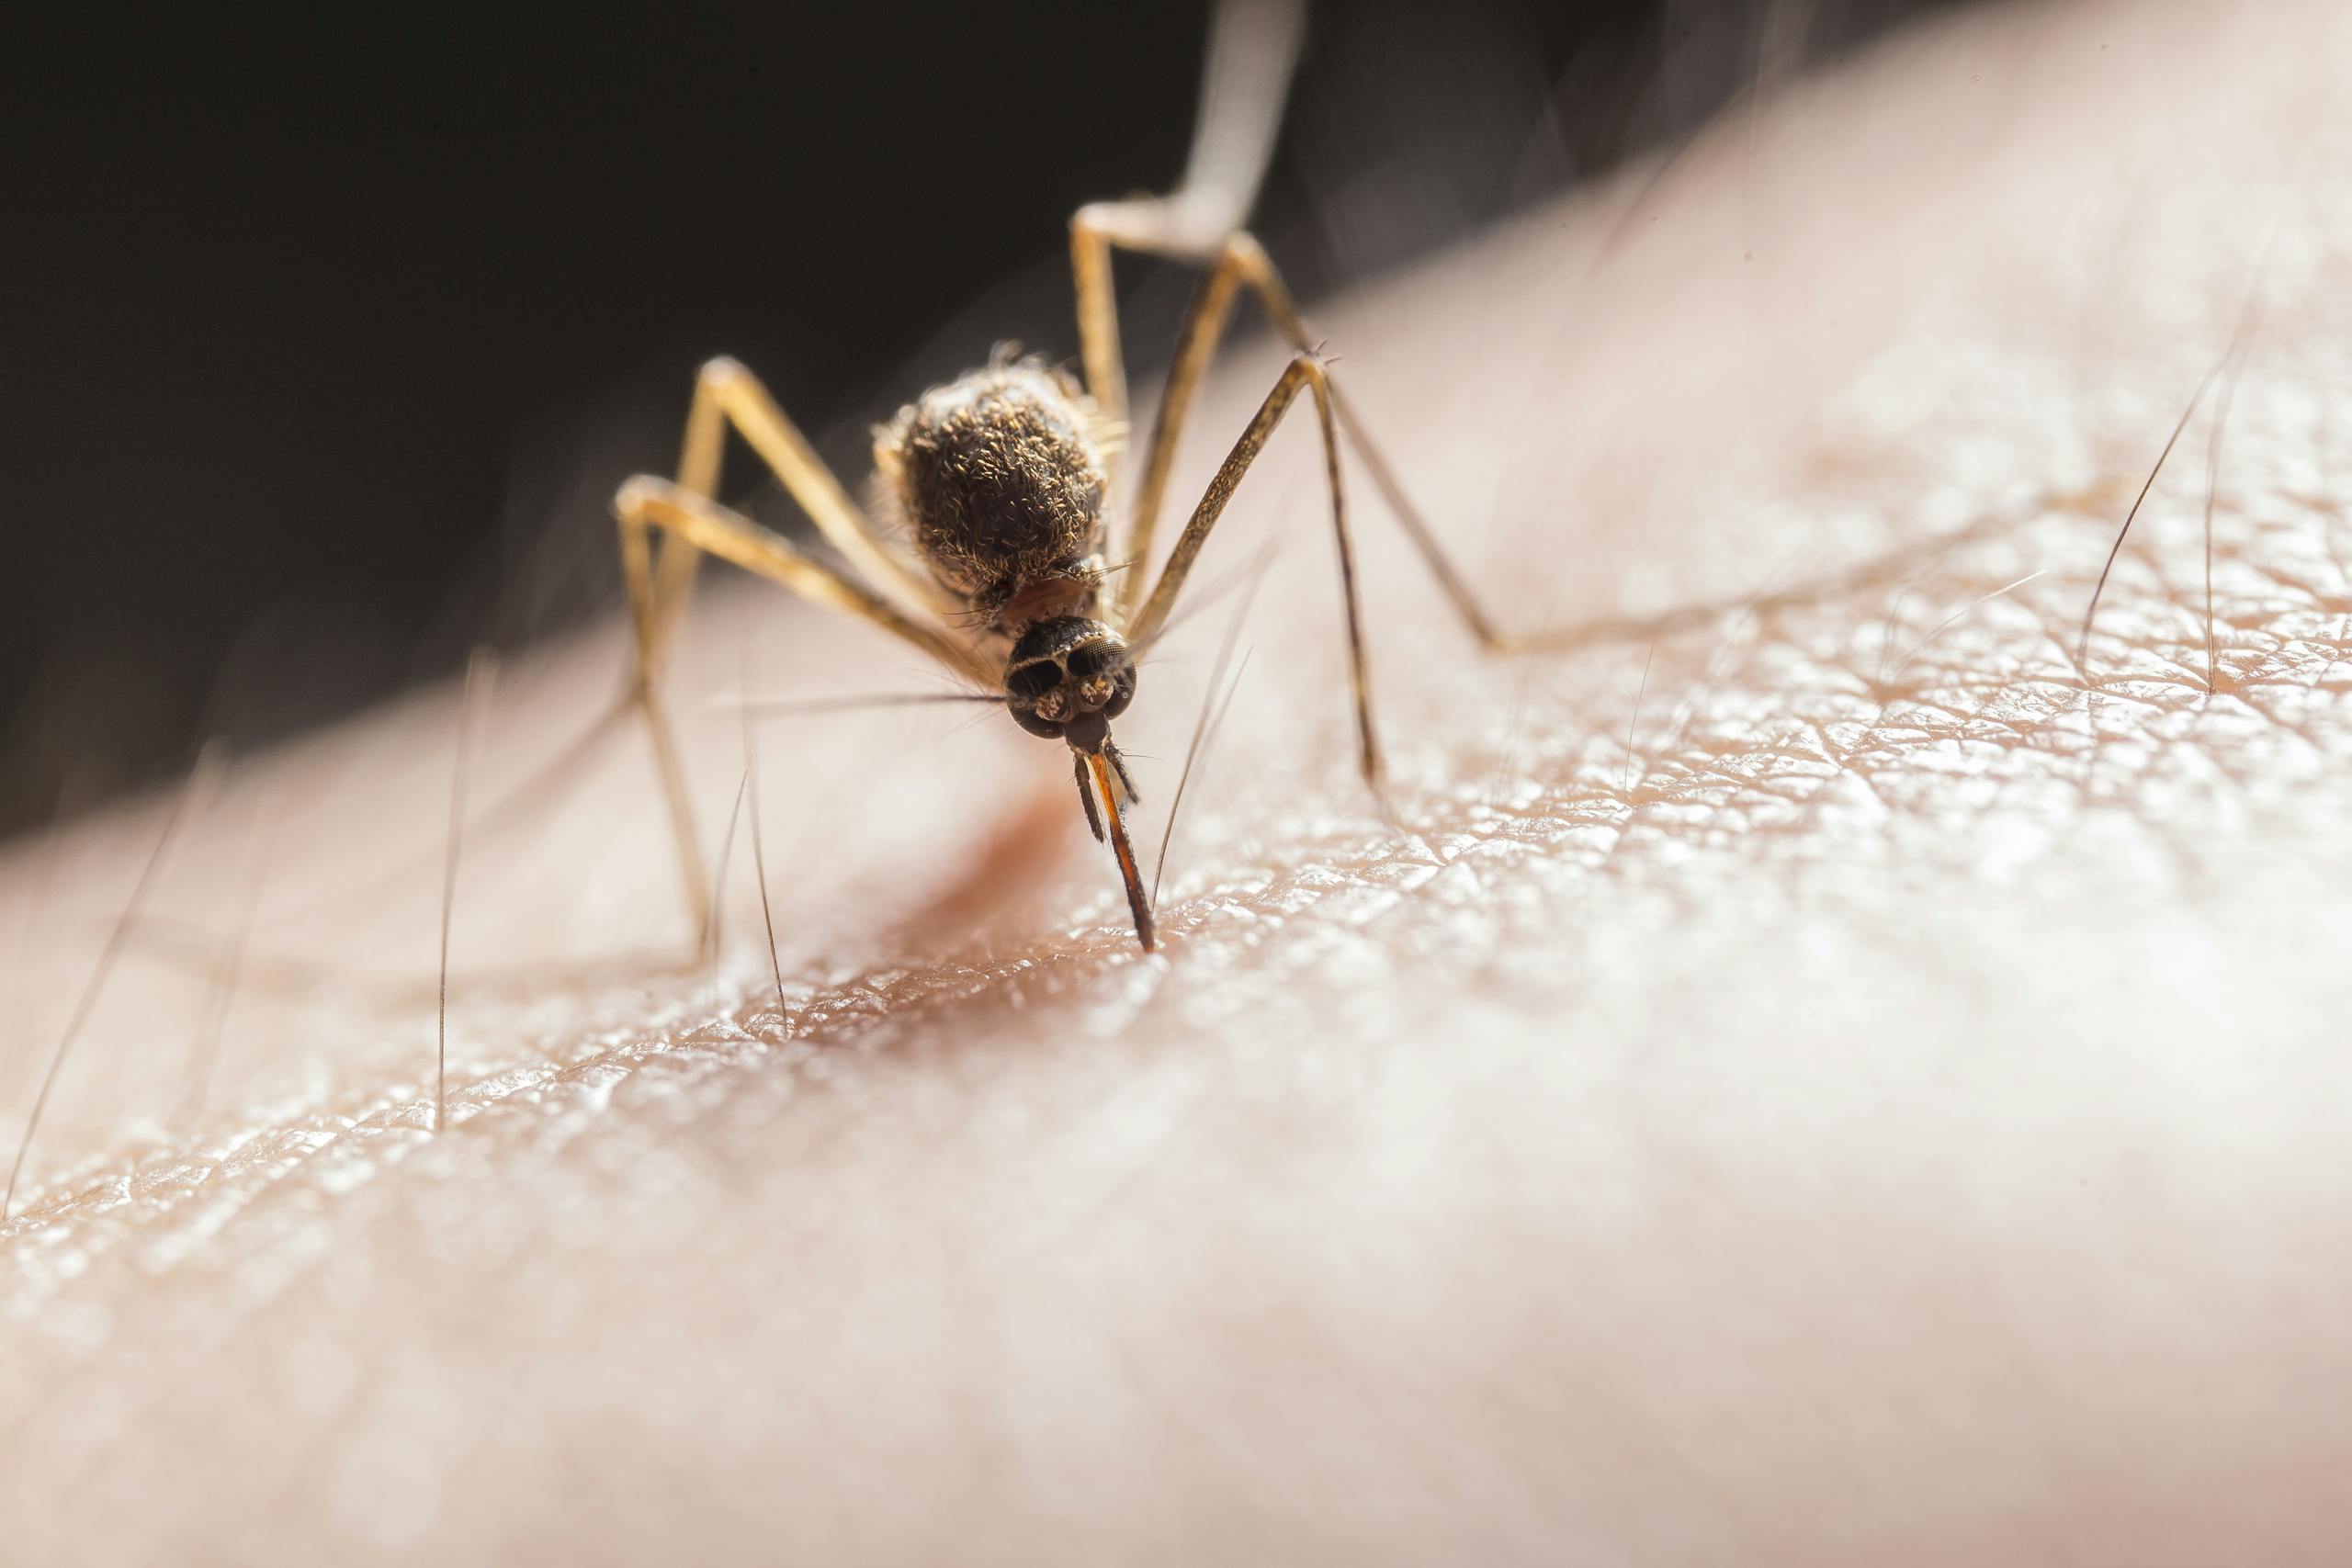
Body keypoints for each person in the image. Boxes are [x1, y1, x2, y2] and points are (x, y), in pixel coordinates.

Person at [3, 0, 2347, 1560]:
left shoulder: (1103, 563)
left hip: (1051, 486)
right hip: (976, 504)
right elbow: (702, 497)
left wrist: (1417, 690)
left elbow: (1295, 379)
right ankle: (641, 901)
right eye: (1068, 699)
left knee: (1263, 360)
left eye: (1081, 695)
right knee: (686, 469)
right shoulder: (972, 607)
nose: (1090, 732)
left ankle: (1517, 637)